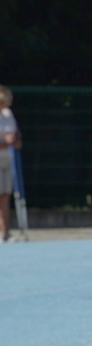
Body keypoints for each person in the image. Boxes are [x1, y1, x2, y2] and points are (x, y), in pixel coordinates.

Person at [0, 86, 22, 243]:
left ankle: (5, 232)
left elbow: (15, 134)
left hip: (8, 158)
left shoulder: (8, 114)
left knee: (6, 195)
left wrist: (15, 140)